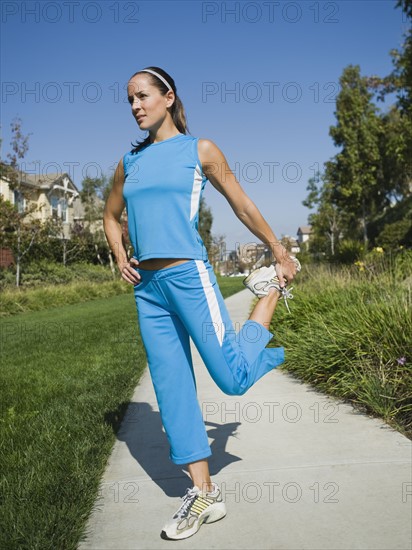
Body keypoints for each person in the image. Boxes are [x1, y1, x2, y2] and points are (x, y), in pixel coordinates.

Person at [103, 66, 300, 541]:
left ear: (168, 97)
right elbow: (110, 216)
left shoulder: (200, 150)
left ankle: (271, 290)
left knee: (231, 378)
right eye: (129, 99)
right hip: (148, 290)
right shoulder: (129, 163)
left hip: (189, 277)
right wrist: (120, 256)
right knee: (172, 393)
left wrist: (277, 249)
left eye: (143, 96)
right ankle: (204, 494)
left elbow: (241, 202)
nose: (135, 105)